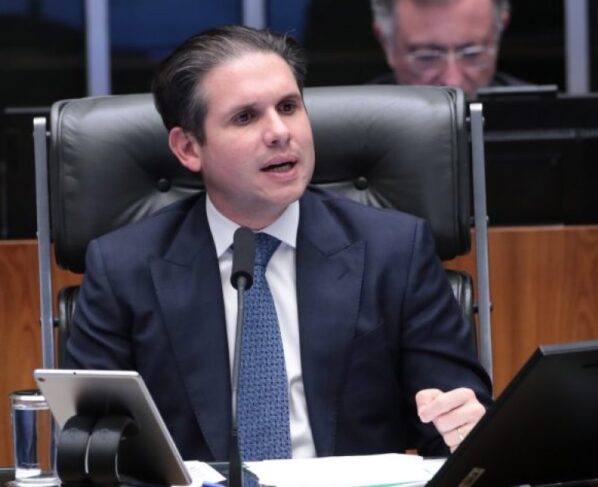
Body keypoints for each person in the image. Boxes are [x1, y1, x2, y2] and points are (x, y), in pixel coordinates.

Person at [66, 25, 492, 463]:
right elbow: (90, 450)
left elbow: (458, 434)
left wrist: (462, 426)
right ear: (189, 148)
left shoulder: (396, 251)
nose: (279, 132)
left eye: (288, 107)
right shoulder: (122, 269)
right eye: (245, 117)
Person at [370, 0, 525, 99]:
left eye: (472, 54)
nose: (453, 82)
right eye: (427, 57)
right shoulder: (357, 131)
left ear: (498, 35)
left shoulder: (536, 117)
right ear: (386, 44)